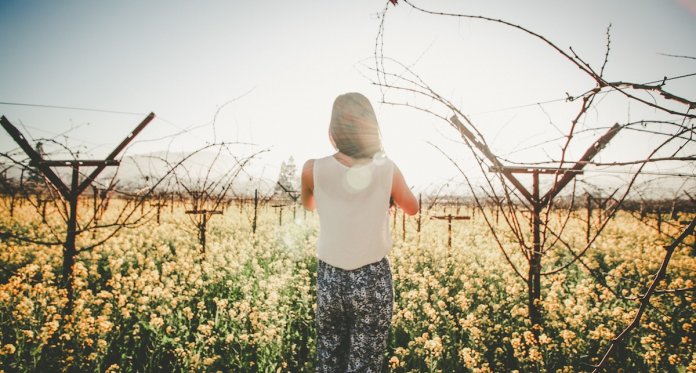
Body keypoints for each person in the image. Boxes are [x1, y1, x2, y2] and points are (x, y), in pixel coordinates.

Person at [301, 92, 419, 372]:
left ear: (333, 130)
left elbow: (309, 205)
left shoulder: (311, 169)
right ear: (370, 127)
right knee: (365, 363)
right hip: (372, 277)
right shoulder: (387, 168)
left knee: (329, 356)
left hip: (330, 276)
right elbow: (412, 208)